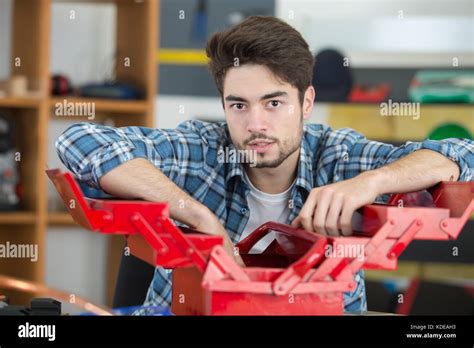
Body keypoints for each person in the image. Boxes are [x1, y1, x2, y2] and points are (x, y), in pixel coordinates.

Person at [55, 16, 473, 314]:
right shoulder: (202, 149)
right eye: (239, 105)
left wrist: (370, 182)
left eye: (274, 103)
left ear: (305, 103)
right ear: (224, 105)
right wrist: (198, 216)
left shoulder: (339, 155)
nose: (255, 125)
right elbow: (78, 139)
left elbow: (463, 155)